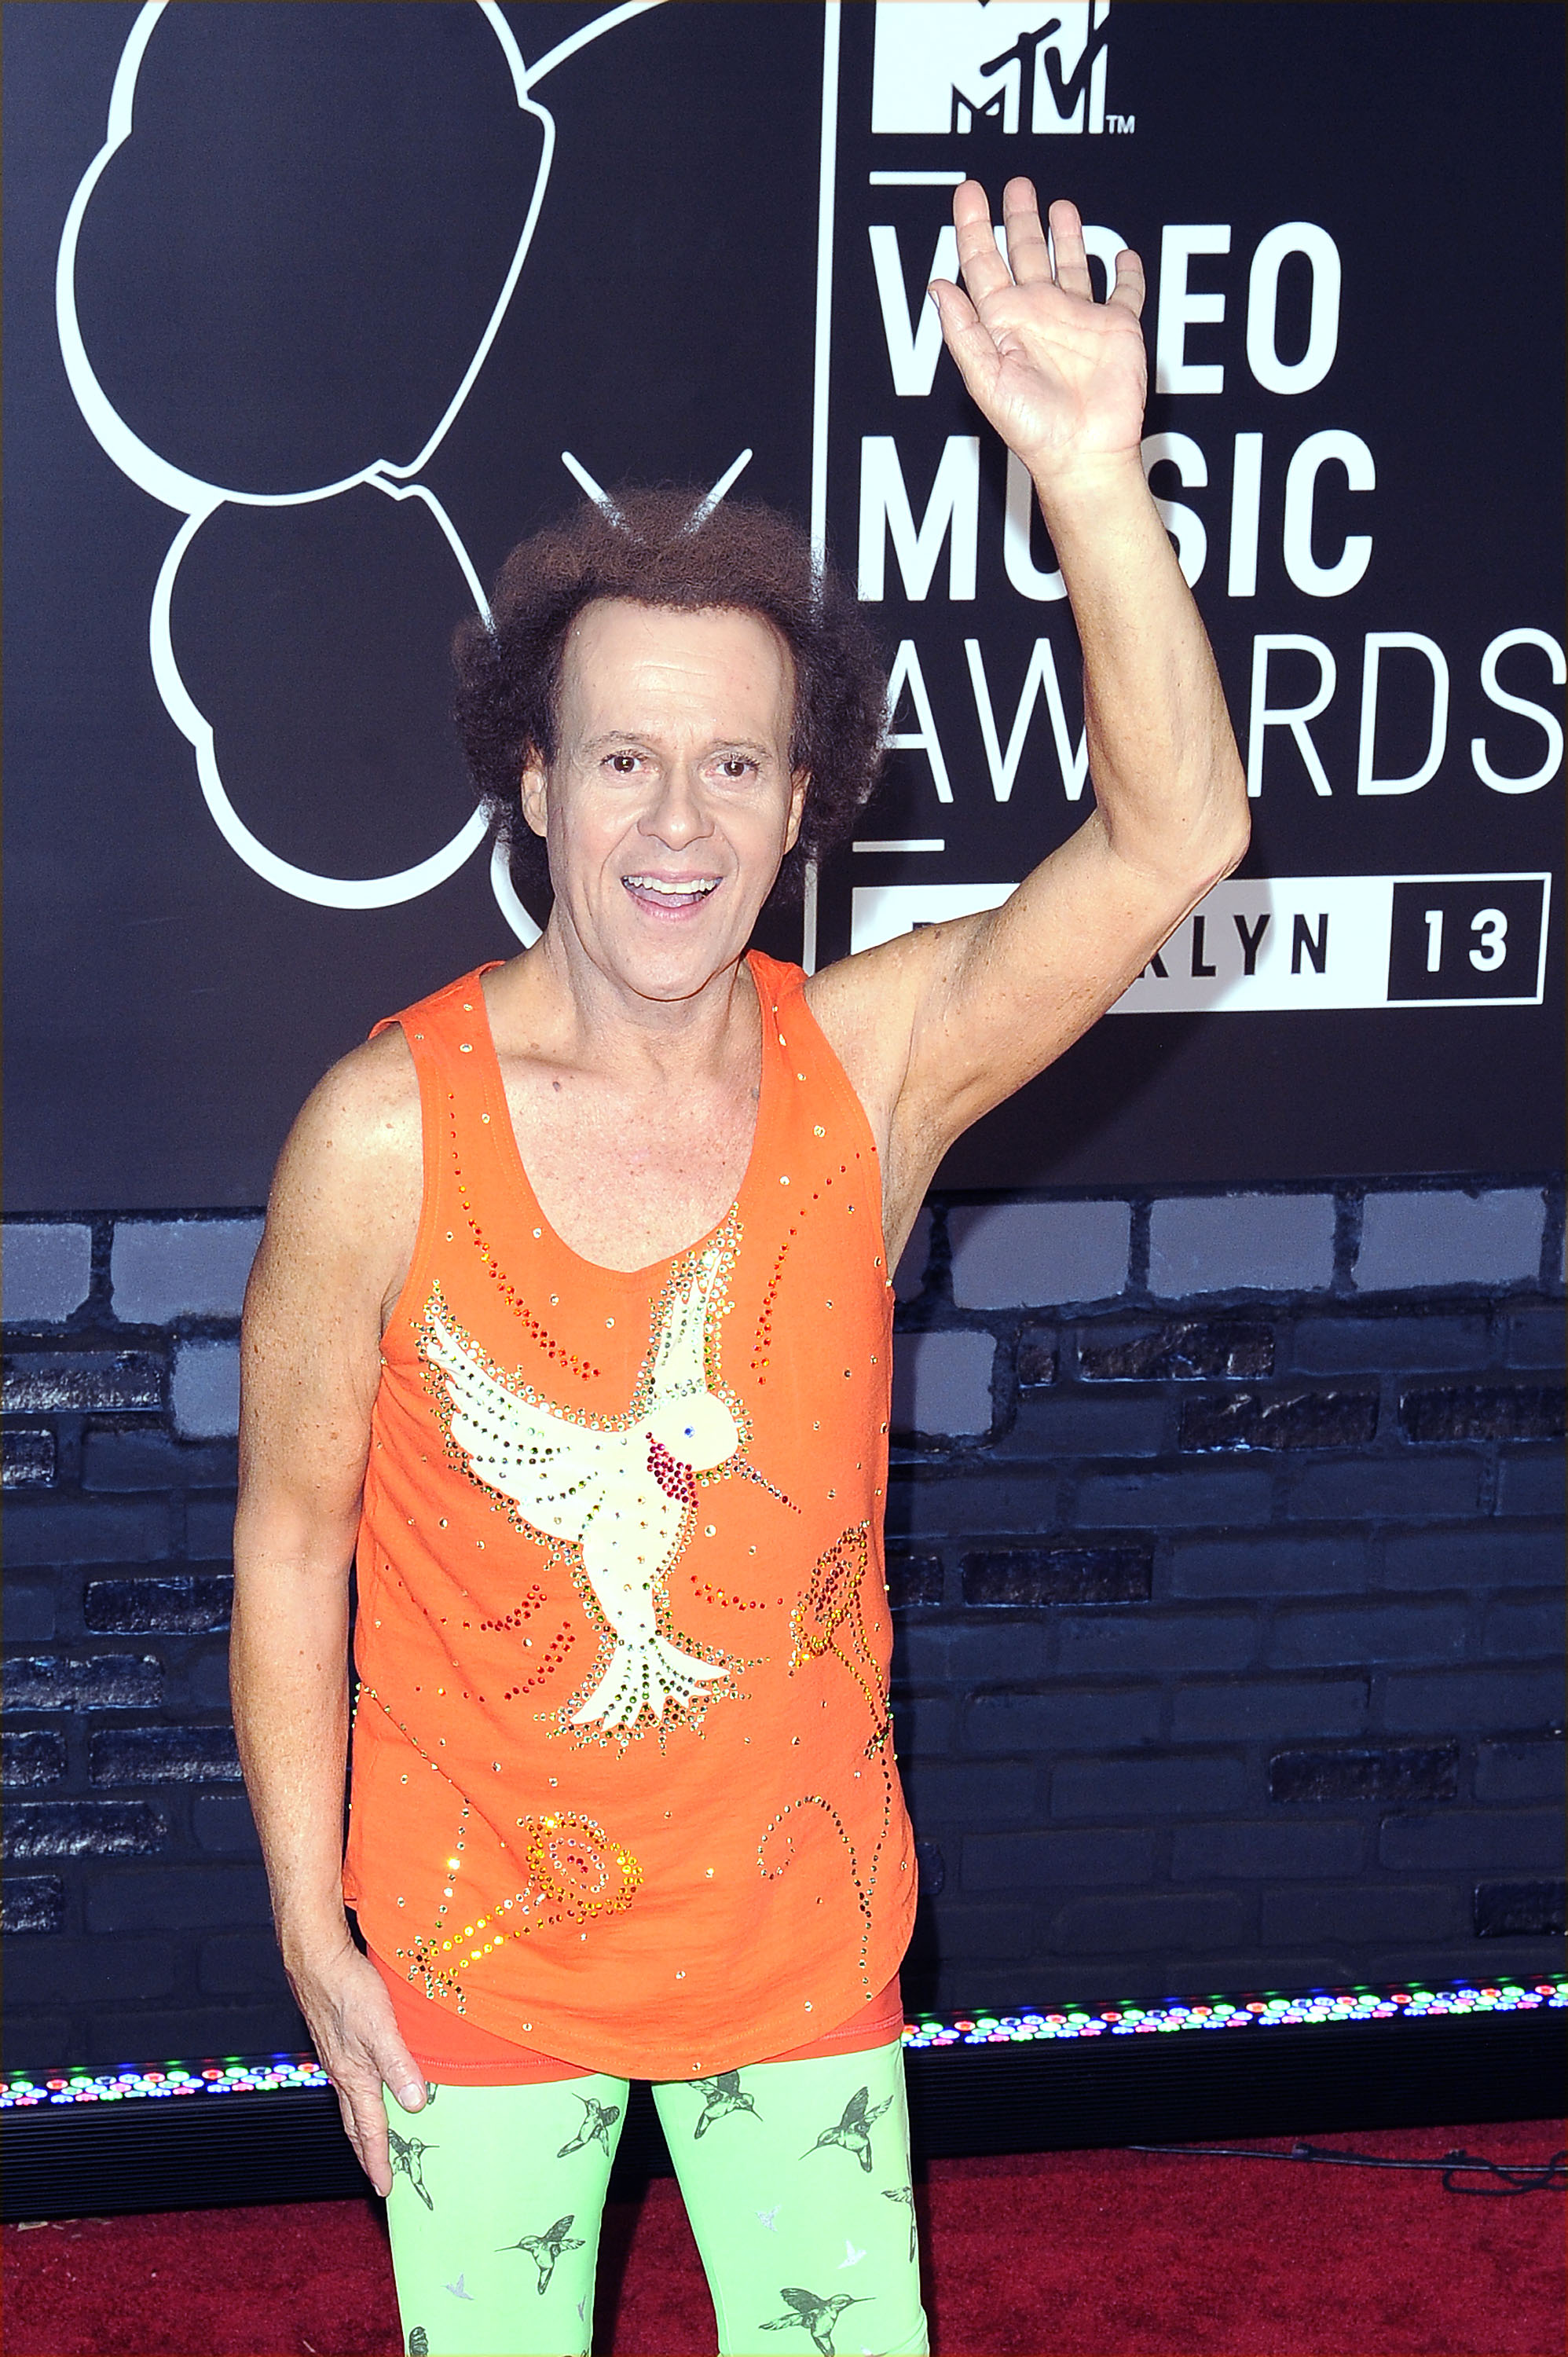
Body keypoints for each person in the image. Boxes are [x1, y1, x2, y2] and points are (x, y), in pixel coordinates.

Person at [231, 180, 1248, 2357]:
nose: (672, 825)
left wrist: (1087, 468)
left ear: (804, 805)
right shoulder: (380, 1131)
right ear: (532, 782)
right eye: (620, 760)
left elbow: (1174, 840)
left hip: (805, 1960)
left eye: (729, 767)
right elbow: (291, 1538)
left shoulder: (869, 1071)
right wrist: (316, 1935)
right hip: (473, 1968)